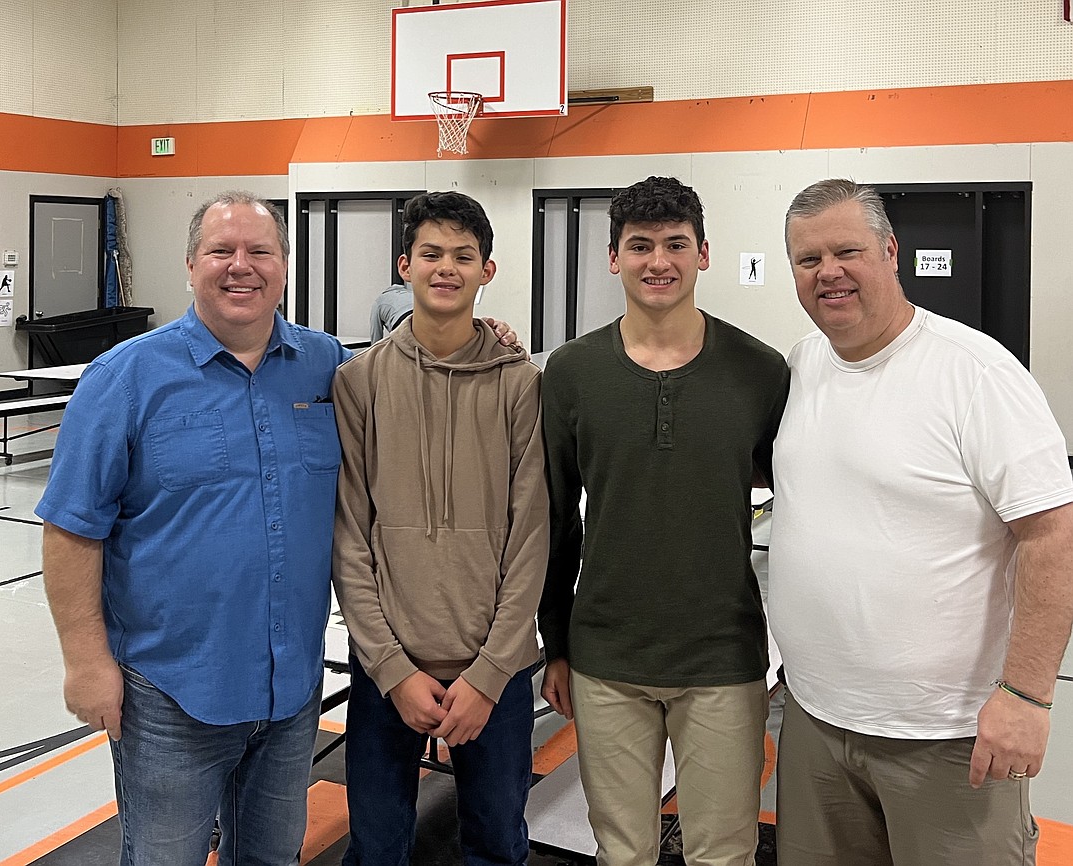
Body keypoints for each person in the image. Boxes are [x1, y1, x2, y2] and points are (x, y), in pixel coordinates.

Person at [37, 189, 519, 865]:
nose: (242, 267)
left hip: (289, 696)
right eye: (221, 251)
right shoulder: (125, 378)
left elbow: (424, 369)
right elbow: (70, 530)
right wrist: (86, 663)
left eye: (260, 251)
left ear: (284, 266)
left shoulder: (327, 367)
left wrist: (486, 336)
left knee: (269, 857)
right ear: (189, 264)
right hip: (173, 696)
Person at [769, 178, 1073, 866]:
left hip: (948, 735)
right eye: (808, 260)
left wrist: (1027, 696)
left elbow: (1053, 534)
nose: (829, 273)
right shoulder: (802, 364)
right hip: (815, 721)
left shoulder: (974, 373)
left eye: (847, 251)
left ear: (890, 251)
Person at [539, 175, 790, 866]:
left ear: (703, 253)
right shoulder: (571, 373)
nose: (659, 261)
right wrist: (555, 642)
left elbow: (799, 503)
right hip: (606, 659)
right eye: (641, 244)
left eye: (676, 244)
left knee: (724, 851)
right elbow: (556, 519)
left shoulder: (761, 372)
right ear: (613, 256)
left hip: (722, 658)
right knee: (622, 852)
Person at [332, 190, 549, 866]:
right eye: (431, 253)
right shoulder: (359, 381)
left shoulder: (520, 383)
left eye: (463, 255)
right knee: (376, 847)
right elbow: (350, 537)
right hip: (386, 669)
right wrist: (393, 670)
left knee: (497, 844)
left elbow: (531, 536)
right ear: (405, 265)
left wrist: (489, 673)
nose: (446, 267)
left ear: (488, 270)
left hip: (497, 672)